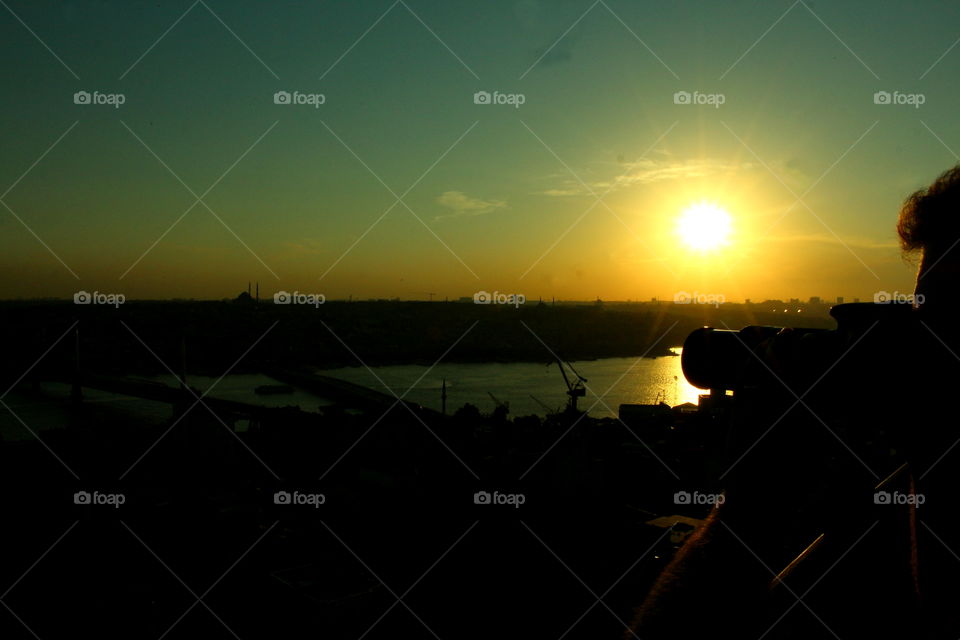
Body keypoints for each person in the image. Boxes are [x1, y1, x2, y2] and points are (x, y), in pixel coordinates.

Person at [628, 165, 960, 639]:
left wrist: (749, 506)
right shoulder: (885, 513)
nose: (925, 344)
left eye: (948, 319)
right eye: (919, 318)